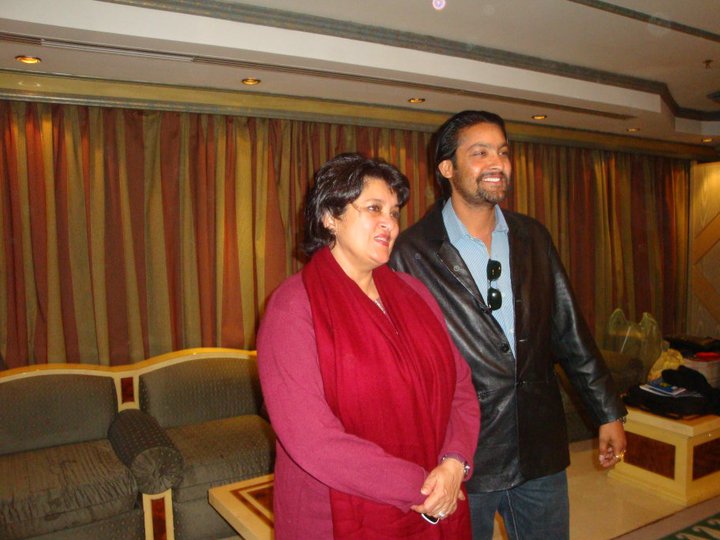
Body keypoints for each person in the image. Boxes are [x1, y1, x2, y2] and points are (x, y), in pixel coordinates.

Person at [389, 111, 627, 540]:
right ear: (447, 168)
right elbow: (401, 367)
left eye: (502, 152)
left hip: (539, 446)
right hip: (461, 454)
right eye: (479, 153)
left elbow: (568, 329)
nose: (497, 163)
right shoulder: (411, 252)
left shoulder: (533, 237)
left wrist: (606, 412)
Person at [257, 153, 480, 539]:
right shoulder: (293, 308)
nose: (389, 223)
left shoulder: (414, 293)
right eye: (374, 208)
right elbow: (312, 439)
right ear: (330, 216)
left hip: (434, 497)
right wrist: (422, 487)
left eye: (394, 212)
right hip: (335, 514)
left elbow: (460, 386)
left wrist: (454, 461)